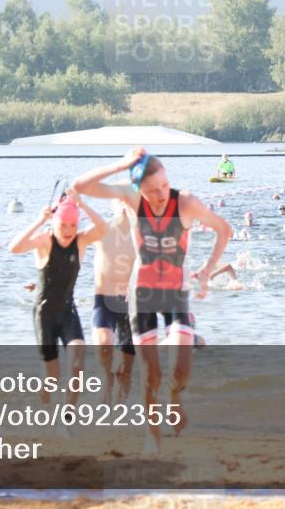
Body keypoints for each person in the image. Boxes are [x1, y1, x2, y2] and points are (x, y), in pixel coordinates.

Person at [73, 148, 232, 452]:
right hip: (141, 294)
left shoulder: (185, 202)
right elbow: (81, 187)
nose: (160, 194)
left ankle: (174, 399)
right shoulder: (132, 200)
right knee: (151, 374)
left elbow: (224, 230)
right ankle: (152, 435)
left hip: (175, 296)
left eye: (163, 185)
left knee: (180, 370)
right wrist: (121, 164)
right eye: (151, 190)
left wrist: (207, 271)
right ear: (138, 191)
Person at [8, 189, 107, 417]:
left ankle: (68, 414)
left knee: (78, 356)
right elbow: (14, 248)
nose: (68, 232)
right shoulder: (45, 241)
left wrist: (83, 203)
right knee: (51, 377)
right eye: (63, 226)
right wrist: (39, 220)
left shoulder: (80, 241)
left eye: (73, 226)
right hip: (44, 314)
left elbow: (102, 228)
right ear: (54, 224)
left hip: (67, 311)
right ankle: (44, 409)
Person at [91, 199, 138, 406]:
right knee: (103, 344)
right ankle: (106, 387)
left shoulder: (142, 234)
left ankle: (119, 409)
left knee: (125, 365)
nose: (125, 207)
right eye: (121, 202)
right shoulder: (102, 230)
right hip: (104, 298)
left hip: (133, 302)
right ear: (114, 206)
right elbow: (70, 241)